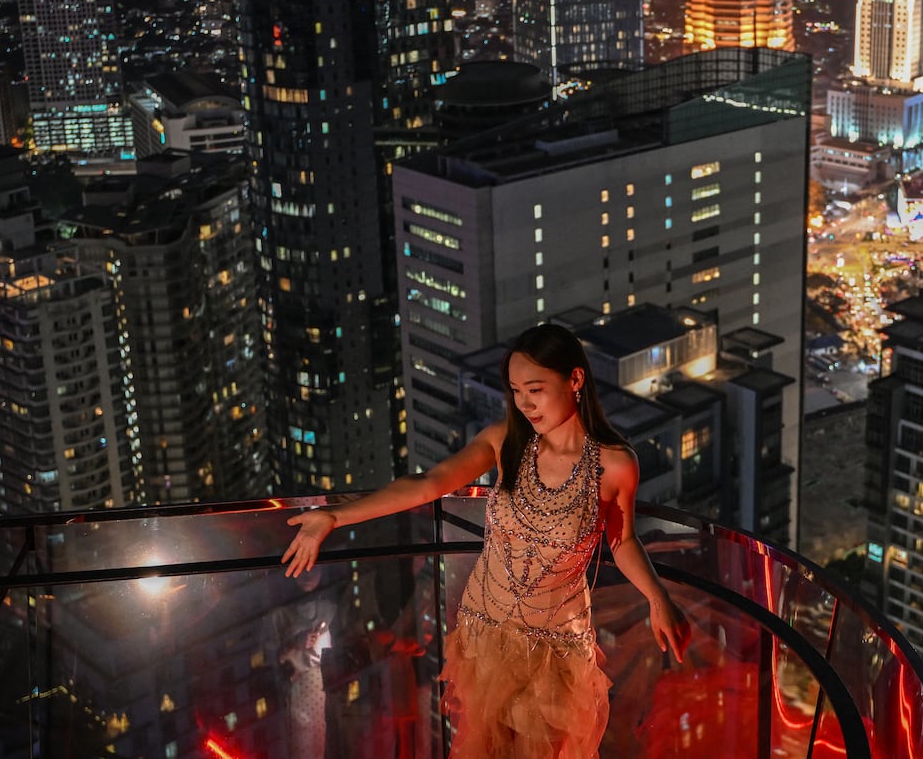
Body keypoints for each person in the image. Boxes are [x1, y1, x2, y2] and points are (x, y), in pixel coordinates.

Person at [281, 323, 691, 758]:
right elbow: (428, 484)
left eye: (535, 389)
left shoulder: (615, 465)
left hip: (554, 649)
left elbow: (622, 541)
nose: (524, 403)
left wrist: (657, 597)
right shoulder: (506, 442)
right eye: (516, 390)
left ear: (575, 380)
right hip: (484, 634)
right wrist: (334, 517)